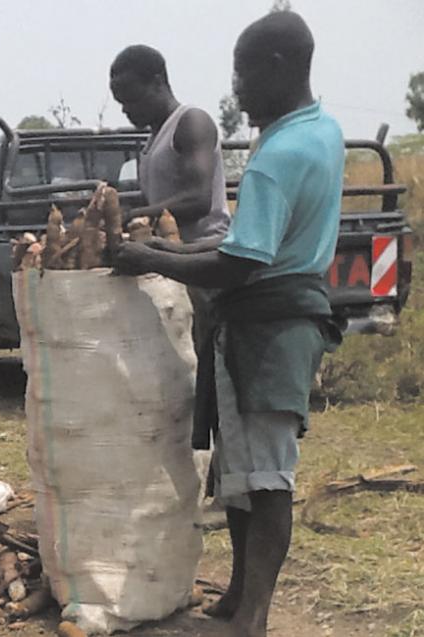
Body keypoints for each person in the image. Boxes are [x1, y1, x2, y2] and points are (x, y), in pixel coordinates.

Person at [113, 11, 344, 637]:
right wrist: (159, 255)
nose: (234, 89)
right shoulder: (319, 130)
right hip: (269, 317)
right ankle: (240, 595)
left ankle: (254, 616)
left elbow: (241, 260)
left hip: (269, 326)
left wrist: (153, 258)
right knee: (239, 472)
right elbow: (246, 241)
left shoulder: (278, 155)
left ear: (275, 68)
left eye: (242, 75)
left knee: (266, 477)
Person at [109, 44, 230, 352]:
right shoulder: (152, 141)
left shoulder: (191, 123)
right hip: (169, 264)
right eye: (120, 102)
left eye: (131, 98)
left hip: (202, 264)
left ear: (158, 82)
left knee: (206, 361)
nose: (126, 109)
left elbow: (198, 200)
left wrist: (135, 216)